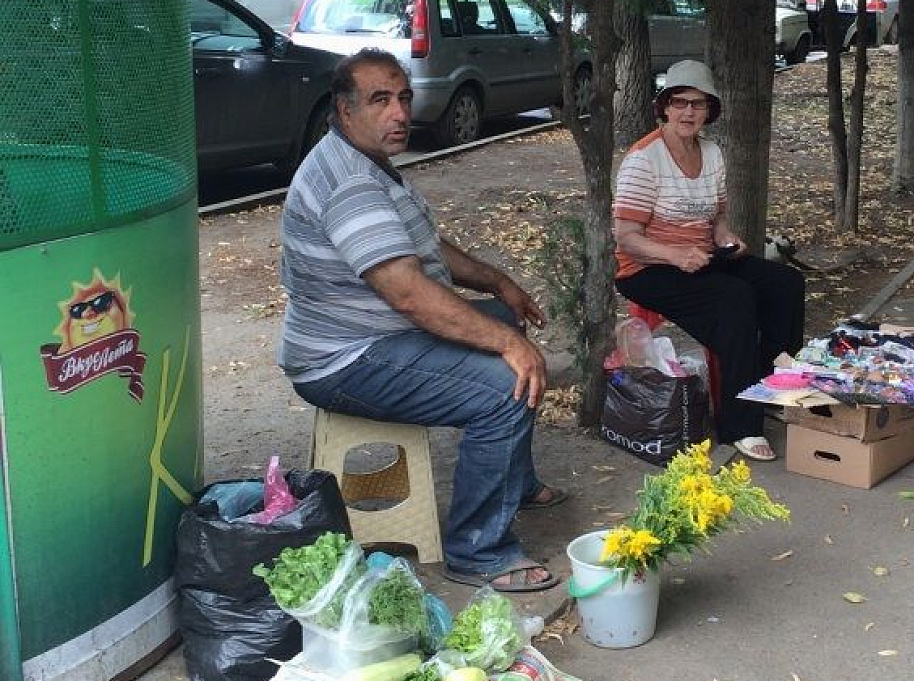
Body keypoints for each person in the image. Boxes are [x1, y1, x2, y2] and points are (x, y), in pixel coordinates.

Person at [277, 48, 564, 592]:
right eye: (380, 100)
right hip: (344, 360)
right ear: (345, 111)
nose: (399, 113)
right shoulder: (350, 184)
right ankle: (479, 551)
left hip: (374, 337)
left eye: (403, 98)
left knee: (505, 319)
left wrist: (496, 282)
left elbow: (423, 247)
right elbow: (409, 294)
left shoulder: (367, 161)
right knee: (506, 387)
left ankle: (514, 481)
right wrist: (508, 343)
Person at [613, 60, 806, 462]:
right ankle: (740, 425)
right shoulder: (643, 160)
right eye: (680, 102)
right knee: (733, 298)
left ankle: (772, 388)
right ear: (664, 107)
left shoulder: (712, 152)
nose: (688, 112)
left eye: (698, 105)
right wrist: (674, 254)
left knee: (785, 283)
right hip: (647, 268)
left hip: (701, 257)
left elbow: (715, 218)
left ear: (709, 111)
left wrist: (725, 237)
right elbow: (626, 238)